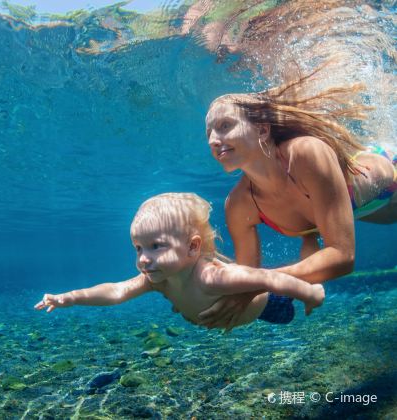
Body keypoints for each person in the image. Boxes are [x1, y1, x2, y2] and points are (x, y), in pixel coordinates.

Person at [199, 64, 396, 328]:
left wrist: (259, 284)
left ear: (262, 130)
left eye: (224, 125)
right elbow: (247, 282)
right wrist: (192, 294)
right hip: (363, 210)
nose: (213, 139)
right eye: (209, 132)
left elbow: (342, 256)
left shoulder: (306, 154)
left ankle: (309, 234)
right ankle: (309, 233)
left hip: (388, 175)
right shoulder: (238, 205)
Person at [35, 193, 325, 330]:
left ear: (192, 248)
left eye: (156, 247)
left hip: (267, 302)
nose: (143, 259)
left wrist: (311, 294)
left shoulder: (213, 277)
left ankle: (309, 238)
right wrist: (69, 298)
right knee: (286, 317)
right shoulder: (157, 281)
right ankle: (309, 240)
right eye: (138, 248)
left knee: (292, 298)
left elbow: (269, 280)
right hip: (243, 317)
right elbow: (116, 291)